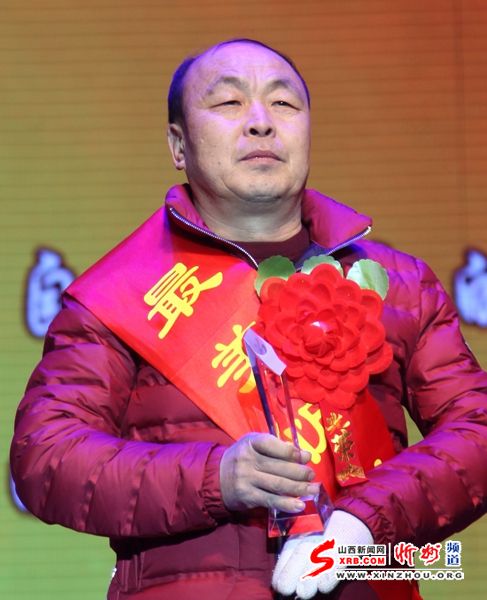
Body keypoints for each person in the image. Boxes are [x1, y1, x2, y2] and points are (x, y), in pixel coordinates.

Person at [10, 38, 487, 600]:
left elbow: (476, 429)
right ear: (178, 145)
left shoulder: (399, 283)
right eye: (229, 103)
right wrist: (216, 478)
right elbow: (47, 456)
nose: (261, 122)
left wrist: (363, 523)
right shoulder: (119, 296)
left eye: (284, 104)